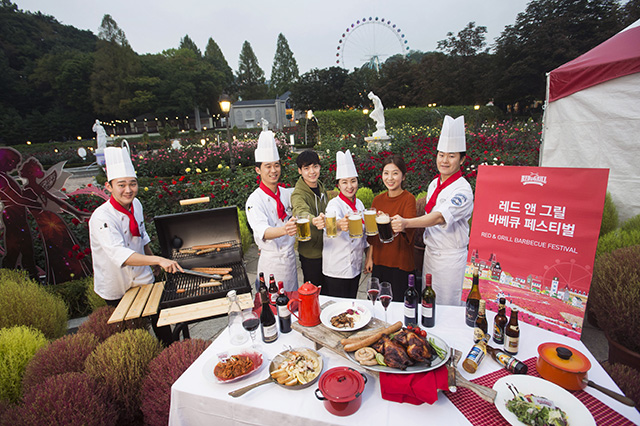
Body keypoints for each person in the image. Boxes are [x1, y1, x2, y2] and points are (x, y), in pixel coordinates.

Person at [89, 143, 182, 345]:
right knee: (128, 332)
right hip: (116, 283)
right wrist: (158, 259)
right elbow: (119, 254)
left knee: (160, 321)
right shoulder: (101, 217)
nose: (128, 190)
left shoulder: (136, 205)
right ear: (109, 186)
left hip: (142, 276)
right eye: (121, 185)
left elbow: (141, 233)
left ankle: (170, 351)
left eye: (133, 183)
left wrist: (152, 262)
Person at [391, 115, 474, 305]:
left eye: (451, 156)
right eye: (441, 154)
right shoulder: (434, 183)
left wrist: (406, 223)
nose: (444, 160)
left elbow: (438, 217)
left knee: (447, 306)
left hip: (450, 260)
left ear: (462, 159)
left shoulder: (463, 190)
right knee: (427, 303)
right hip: (430, 255)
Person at [245, 129, 298, 291]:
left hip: (290, 262)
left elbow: (302, 199)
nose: (273, 170)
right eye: (267, 166)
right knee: (273, 308)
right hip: (271, 264)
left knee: (293, 306)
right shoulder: (254, 200)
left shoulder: (286, 193)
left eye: (276, 165)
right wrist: (285, 229)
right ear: (258, 170)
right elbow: (264, 231)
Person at [365, 154, 416, 301]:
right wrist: (369, 258)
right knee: (376, 302)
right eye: (386, 173)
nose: (390, 178)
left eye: (395, 173)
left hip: (400, 261)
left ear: (403, 176)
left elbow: (409, 229)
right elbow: (373, 235)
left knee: (398, 303)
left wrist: (394, 222)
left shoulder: (408, 199)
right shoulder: (378, 199)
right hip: (380, 260)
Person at [318, 150, 368, 298]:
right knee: (339, 308)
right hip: (337, 268)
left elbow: (365, 235)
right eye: (344, 182)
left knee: (352, 302)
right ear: (338, 185)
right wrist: (339, 224)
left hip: (355, 267)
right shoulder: (334, 204)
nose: (350, 186)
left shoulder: (359, 204)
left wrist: (369, 257)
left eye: (353, 181)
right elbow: (330, 222)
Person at [291, 150, 328, 287]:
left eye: (315, 166)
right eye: (306, 168)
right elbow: (301, 211)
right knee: (314, 292)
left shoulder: (321, 187)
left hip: (327, 249)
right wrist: (313, 220)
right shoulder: (298, 194)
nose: (312, 171)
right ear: (300, 171)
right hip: (311, 253)